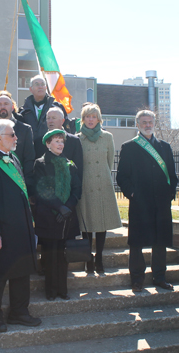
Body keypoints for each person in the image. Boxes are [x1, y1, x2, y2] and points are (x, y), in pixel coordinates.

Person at [0, 119, 41, 333]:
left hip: (21, 227)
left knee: (22, 269)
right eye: (12, 135)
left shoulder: (13, 158)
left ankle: (19, 312)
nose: (16, 138)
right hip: (1, 229)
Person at [116, 110, 178, 293]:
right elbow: (122, 177)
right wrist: (133, 194)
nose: (147, 124)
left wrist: (169, 196)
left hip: (161, 203)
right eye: (143, 122)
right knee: (137, 243)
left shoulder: (165, 147)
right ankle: (137, 279)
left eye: (150, 121)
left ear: (154, 123)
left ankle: (159, 277)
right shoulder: (129, 147)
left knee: (160, 242)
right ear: (137, 124)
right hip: (140, 203)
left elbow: (172, 176)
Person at [33, 129, 81, 300]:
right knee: (50, 255)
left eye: (62, 141)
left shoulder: (70, 164)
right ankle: (51, 291)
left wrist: (67, 207)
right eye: (56, 141)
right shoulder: (40, 163)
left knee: (62, 256)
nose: (60, 144)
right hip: (49, 216)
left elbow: (77, 189)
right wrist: (59, 207)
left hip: (66, 218)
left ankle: (63, 289)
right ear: (48, 144)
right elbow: (42, 189)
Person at [76, 104, 121, 274]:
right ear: (83, 119)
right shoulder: (77, 138)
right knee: (86, 225)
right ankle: (88, 259)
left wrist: (102, 176)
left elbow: (109, 162)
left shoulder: (107, 137)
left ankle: (100, 258)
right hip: (85, 185)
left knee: (102, 225)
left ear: (99, 119)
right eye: (87, 116)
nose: (90, 120)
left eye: (93, 116)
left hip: (103, 185)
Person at [0, 91, 36, 195]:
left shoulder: (25, 129)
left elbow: (29, 158)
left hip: (17, 182)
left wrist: (28, 185)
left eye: (6, 104)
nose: (3, 106)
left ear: (12, 107)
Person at [18, 75, 68, 143]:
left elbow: (66, 127)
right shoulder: (23, 111)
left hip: (52, 148)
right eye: (37, 84)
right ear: (31, 89)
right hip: (30, 150)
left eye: (42, 84)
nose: (40, 87)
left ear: (46, 88)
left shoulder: (56, 107)